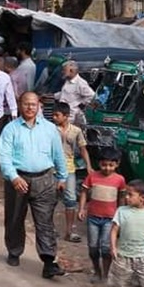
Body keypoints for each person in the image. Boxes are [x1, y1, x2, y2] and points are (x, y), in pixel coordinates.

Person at [0, 92, 67, 279]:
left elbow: (58, 154)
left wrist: (62, 177)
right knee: (14, 218)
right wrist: (13, 177)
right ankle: (14, 251)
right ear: (20, 105)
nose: (30, 108)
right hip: (18, 180)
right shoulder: (10, 129)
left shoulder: (50, 129)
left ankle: (48, 262)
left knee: (45, 221)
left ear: (39, 106)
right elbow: (4, 157)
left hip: (44, 180)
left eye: (33, 104)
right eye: (26, 104)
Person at [77, 146, 126, 283]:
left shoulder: (120, 180)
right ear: (99, 164)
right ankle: (97, 271)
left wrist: (120, 215)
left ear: (117, 164)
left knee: (105, 248)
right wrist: (81, 209)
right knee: (93, 248)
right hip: (93, 217)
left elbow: (121, 198)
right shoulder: (92, 176)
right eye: (104, 165)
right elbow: (84, 193)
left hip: (110, 219)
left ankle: (105, 274)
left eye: (111, 165)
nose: (107, 168)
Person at [51, 102, 94, 243]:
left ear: (66, 116)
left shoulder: (76, 131)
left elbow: (83, 149)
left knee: (70, 200)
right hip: (51, 168)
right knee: (50, 200)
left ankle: (69, 231)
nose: (54, 117)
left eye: (57, 115)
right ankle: (50, 229)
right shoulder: (50, 129)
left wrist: (88, 166)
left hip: (69, 168)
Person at [54, 61, 95, 126]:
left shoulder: (80, 83)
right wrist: (52, 96)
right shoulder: (68, 81)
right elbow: (65, 93)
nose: (62, 72)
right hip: (62, 113)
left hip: (71, 116)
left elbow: (91, 95)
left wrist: (80, 105)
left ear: (71, 70)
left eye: (64, 70)